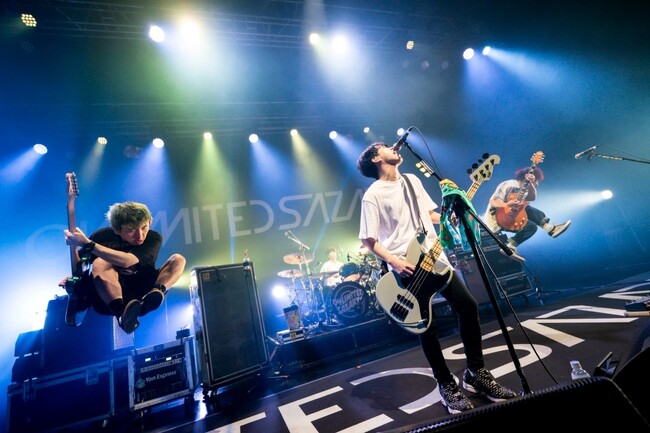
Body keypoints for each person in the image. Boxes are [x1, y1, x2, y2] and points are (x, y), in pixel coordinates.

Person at [356, 142, 517, 414]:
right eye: (384, 146)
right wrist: (394, 261)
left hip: (435, 257)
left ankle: (476, 374)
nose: (394, 147)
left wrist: (450, 213)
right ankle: (446, 384)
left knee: (468, 307)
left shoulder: (412, 180)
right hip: (406, 266)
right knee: (426, 327)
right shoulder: (373, 195)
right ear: (375, 158)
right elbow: (368, 239)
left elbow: (429, 214)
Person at [62, 202, 186, 334]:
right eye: (131, 230)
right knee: (100, 262)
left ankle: (155, 294)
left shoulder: (153, 238)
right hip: (107, 297)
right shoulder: (100, 237)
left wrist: (89, 244)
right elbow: (80, 267)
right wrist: (74, 249)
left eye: (144, 227)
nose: (140, 235)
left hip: (141, 291)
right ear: (117, 229)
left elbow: (127, 261)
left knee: (178, 260)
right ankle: (121, 314)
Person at [483, 166, 571, 263]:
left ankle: (549, 229)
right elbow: (493, 201)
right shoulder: (509, 184)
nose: (537, 183)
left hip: (511, 216)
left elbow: (532, 198)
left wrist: (531, 184)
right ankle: (511, 246)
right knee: (529, 218)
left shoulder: (525, 191)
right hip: (496, 218)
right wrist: (506, 204)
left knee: (528, 215)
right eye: (537, 181)